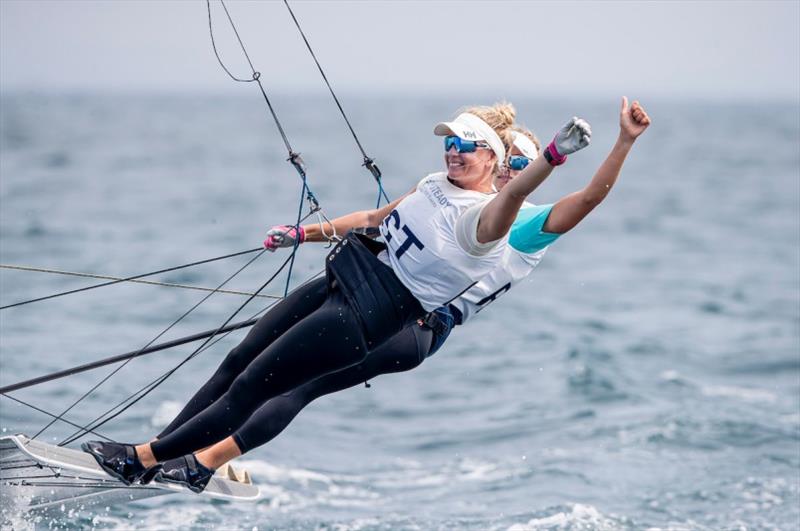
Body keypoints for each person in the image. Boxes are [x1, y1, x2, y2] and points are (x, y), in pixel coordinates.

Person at [82, 101, 594, 492]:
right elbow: (376, 220)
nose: (457, 152)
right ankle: (169, 455)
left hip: (408, 322)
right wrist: (303, 234)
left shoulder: (507, 221)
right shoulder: (440, 185)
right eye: (453, 144)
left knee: (280, 387)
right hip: (357, 277)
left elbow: (531, 198)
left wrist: (552, 156)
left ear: (502, 161)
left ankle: (165, 460)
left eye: (516, 163)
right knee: (241, 362)